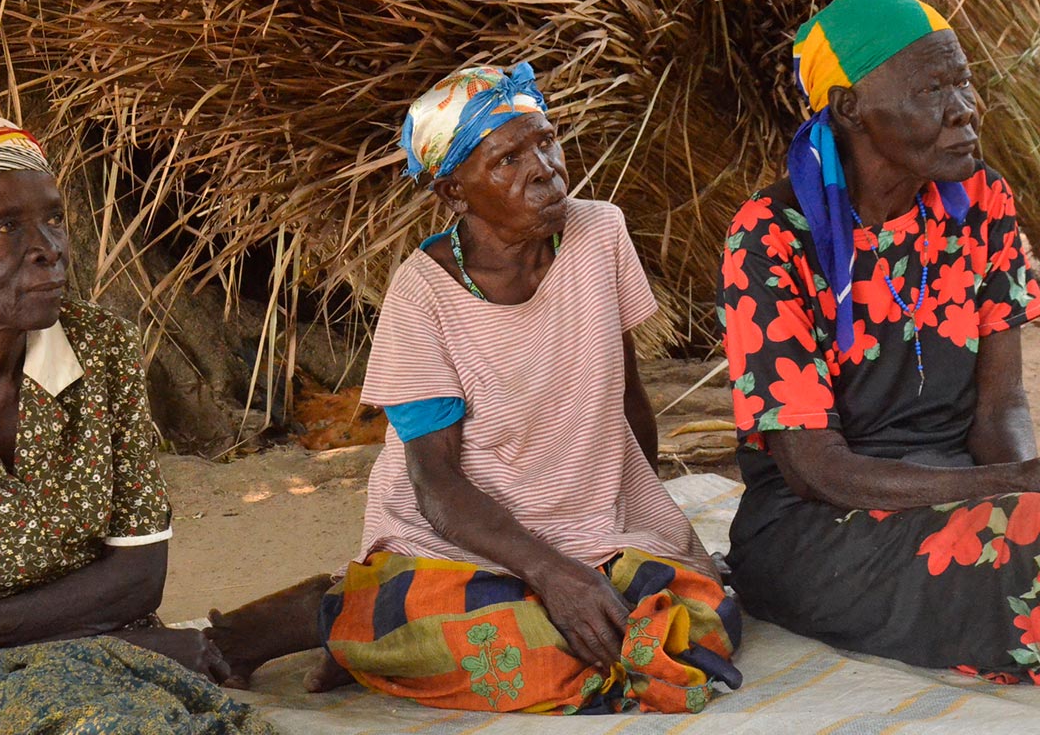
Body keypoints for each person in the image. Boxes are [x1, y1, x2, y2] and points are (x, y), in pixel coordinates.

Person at [206, 63, 741, 715]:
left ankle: (377, 639)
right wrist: (551, 573)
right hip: (460, 543)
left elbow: (627, 396)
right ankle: (326, 617)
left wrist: (641, 519)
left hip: (590, 523)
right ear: (454, 193)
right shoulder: (421, 295)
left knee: (699, 628)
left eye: (546, 141)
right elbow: (437, 485)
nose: (544, 168)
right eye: (508, 159)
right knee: (535, 651)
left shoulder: (599, 232)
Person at [0, 116, 259, 734]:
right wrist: (110, 639)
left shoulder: (104, 349)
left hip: (101, 655)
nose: (50, 247)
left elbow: (139, 580)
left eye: (55, 219)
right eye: (6, 227)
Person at [717, 0, 1040, 678]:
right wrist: (1010, 486)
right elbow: (813, 467)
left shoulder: (983, 201)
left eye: (963, 81)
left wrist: (1018, 492)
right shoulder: (772, 236)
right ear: (849, 107)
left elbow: (1001, 406)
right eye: (931, 89)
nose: (964, 109)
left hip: (962, 487)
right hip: (822, 528)